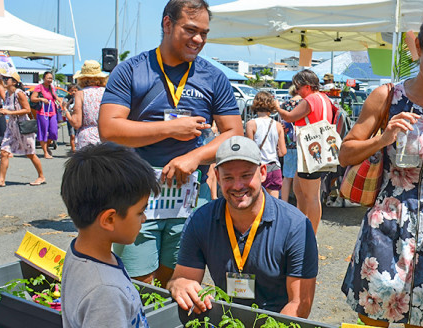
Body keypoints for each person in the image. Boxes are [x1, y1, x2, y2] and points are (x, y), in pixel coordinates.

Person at [339, 9, 423, 327]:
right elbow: (345, 153)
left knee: (420, 320)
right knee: (374, 316)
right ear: (418, 47)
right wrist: (384, 138)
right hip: (386, 225)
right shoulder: (386, 97)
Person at [99, 0, 242, 286]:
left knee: (180, 283)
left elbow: (234, 134)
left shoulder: (212, 76)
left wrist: (195, 157)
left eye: (204, 33)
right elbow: (109, 128)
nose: (199, 39)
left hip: (189, 196)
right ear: (167, 24)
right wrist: (169, 128)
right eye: (190, 30)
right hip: (137, 193)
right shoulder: (132, 70)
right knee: (136, 283)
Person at [167, 136, 318, 318]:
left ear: (263, 172)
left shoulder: (296, 225)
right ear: (218, 178)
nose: (238, 186)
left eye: (246, 175)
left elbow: (299, 304)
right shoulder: (200, 220)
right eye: (228, 177)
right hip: (224, 319)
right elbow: (183, 278)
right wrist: (178, 284)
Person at [60, 142, 160, 328]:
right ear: (109, 219)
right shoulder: (105, 293)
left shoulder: (82, 250)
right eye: (140, 212)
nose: (144, 219)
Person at [276, 70, 336, 233]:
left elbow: (289, 117)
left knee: (311, 197)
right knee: (300, 189)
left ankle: (311, 235)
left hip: (310, 151)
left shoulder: (310, 99)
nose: (296, 91)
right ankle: (301, 227)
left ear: (307, 86)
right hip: (319, 149)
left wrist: (276, 107)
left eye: (298, 87)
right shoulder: (325, 99)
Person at [0, 71, 46, 188]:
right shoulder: (7, 94)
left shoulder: (19, 93)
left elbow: (27, 110)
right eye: (3, 79)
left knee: (30, 154)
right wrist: (2, 113)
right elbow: (9, 110)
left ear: (14, 81)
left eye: (6, 79)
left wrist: (9, 112)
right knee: (3, 152)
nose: (4, 81)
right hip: (12, 128)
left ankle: (41, 176)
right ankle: (1, 179)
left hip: (22, 127)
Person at [245, 91, 287, 198]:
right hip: (274, 167)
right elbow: (282, 152)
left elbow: (249, 150)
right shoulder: (277, 125)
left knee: (256, 202)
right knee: (274, 203)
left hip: (258, 167)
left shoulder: (251, 124)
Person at [64, 61, 107, 150]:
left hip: (87, 137)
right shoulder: (107, 92)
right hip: (105, 135)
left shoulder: (81, 94)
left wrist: (66, 111)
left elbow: (76, 123)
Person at [30, 71, 61, 159]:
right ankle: (45, 152)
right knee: (43, 132)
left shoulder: (52, 87)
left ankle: (47, 146)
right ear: (43, 79)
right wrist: (41, 99)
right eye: (48, 78)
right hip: (43, 112)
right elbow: (32, 98)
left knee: (54, 132)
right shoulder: (39, 87)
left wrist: (60, 101)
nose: (50, 80)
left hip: (52, 111)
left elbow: (55, 97)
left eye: (51, 78)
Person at [279, 85, 301, 202]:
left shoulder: (284, 105)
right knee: (301, 177)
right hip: (302, 142)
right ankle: (300, 204)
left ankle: (284, 202)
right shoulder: (304, 103)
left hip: (288, 141)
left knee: (287, 177)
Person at [61, 84, 79, 153]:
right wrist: (69, 101)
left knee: (78, 134)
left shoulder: (80, 97)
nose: (73, 92)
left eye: (75, 90)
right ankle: (73, 150)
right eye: (72, 90)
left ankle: (78, 149)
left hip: (78, 118)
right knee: (72, 135)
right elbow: (64, 106)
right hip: (70, 118)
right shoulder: (67, 98)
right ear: (69, 91)